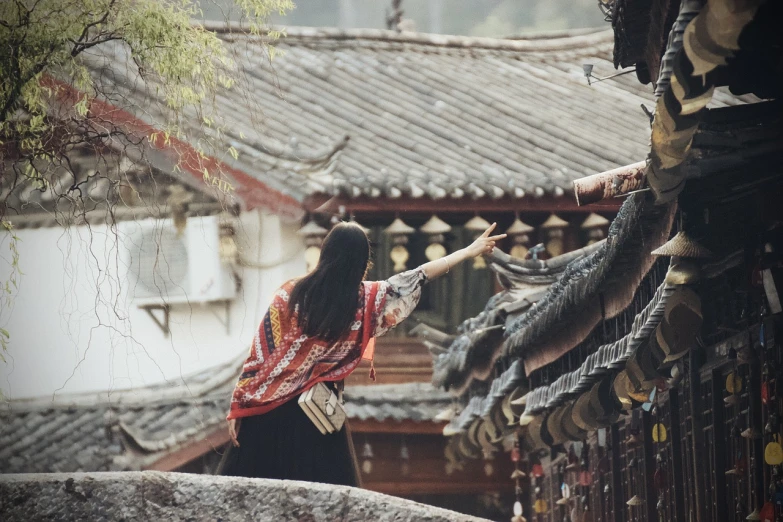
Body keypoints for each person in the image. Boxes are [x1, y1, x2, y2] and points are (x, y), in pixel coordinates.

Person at [217, 220, 505, 485]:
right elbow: (420, 276)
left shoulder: (290, 295)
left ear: (325, 253)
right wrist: (468, 251)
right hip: (316, 416)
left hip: (267, 414)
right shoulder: (369, 300)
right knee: (333, 502)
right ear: (362, 263)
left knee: (242, 496)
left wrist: (238, 407)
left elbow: (261, 353)